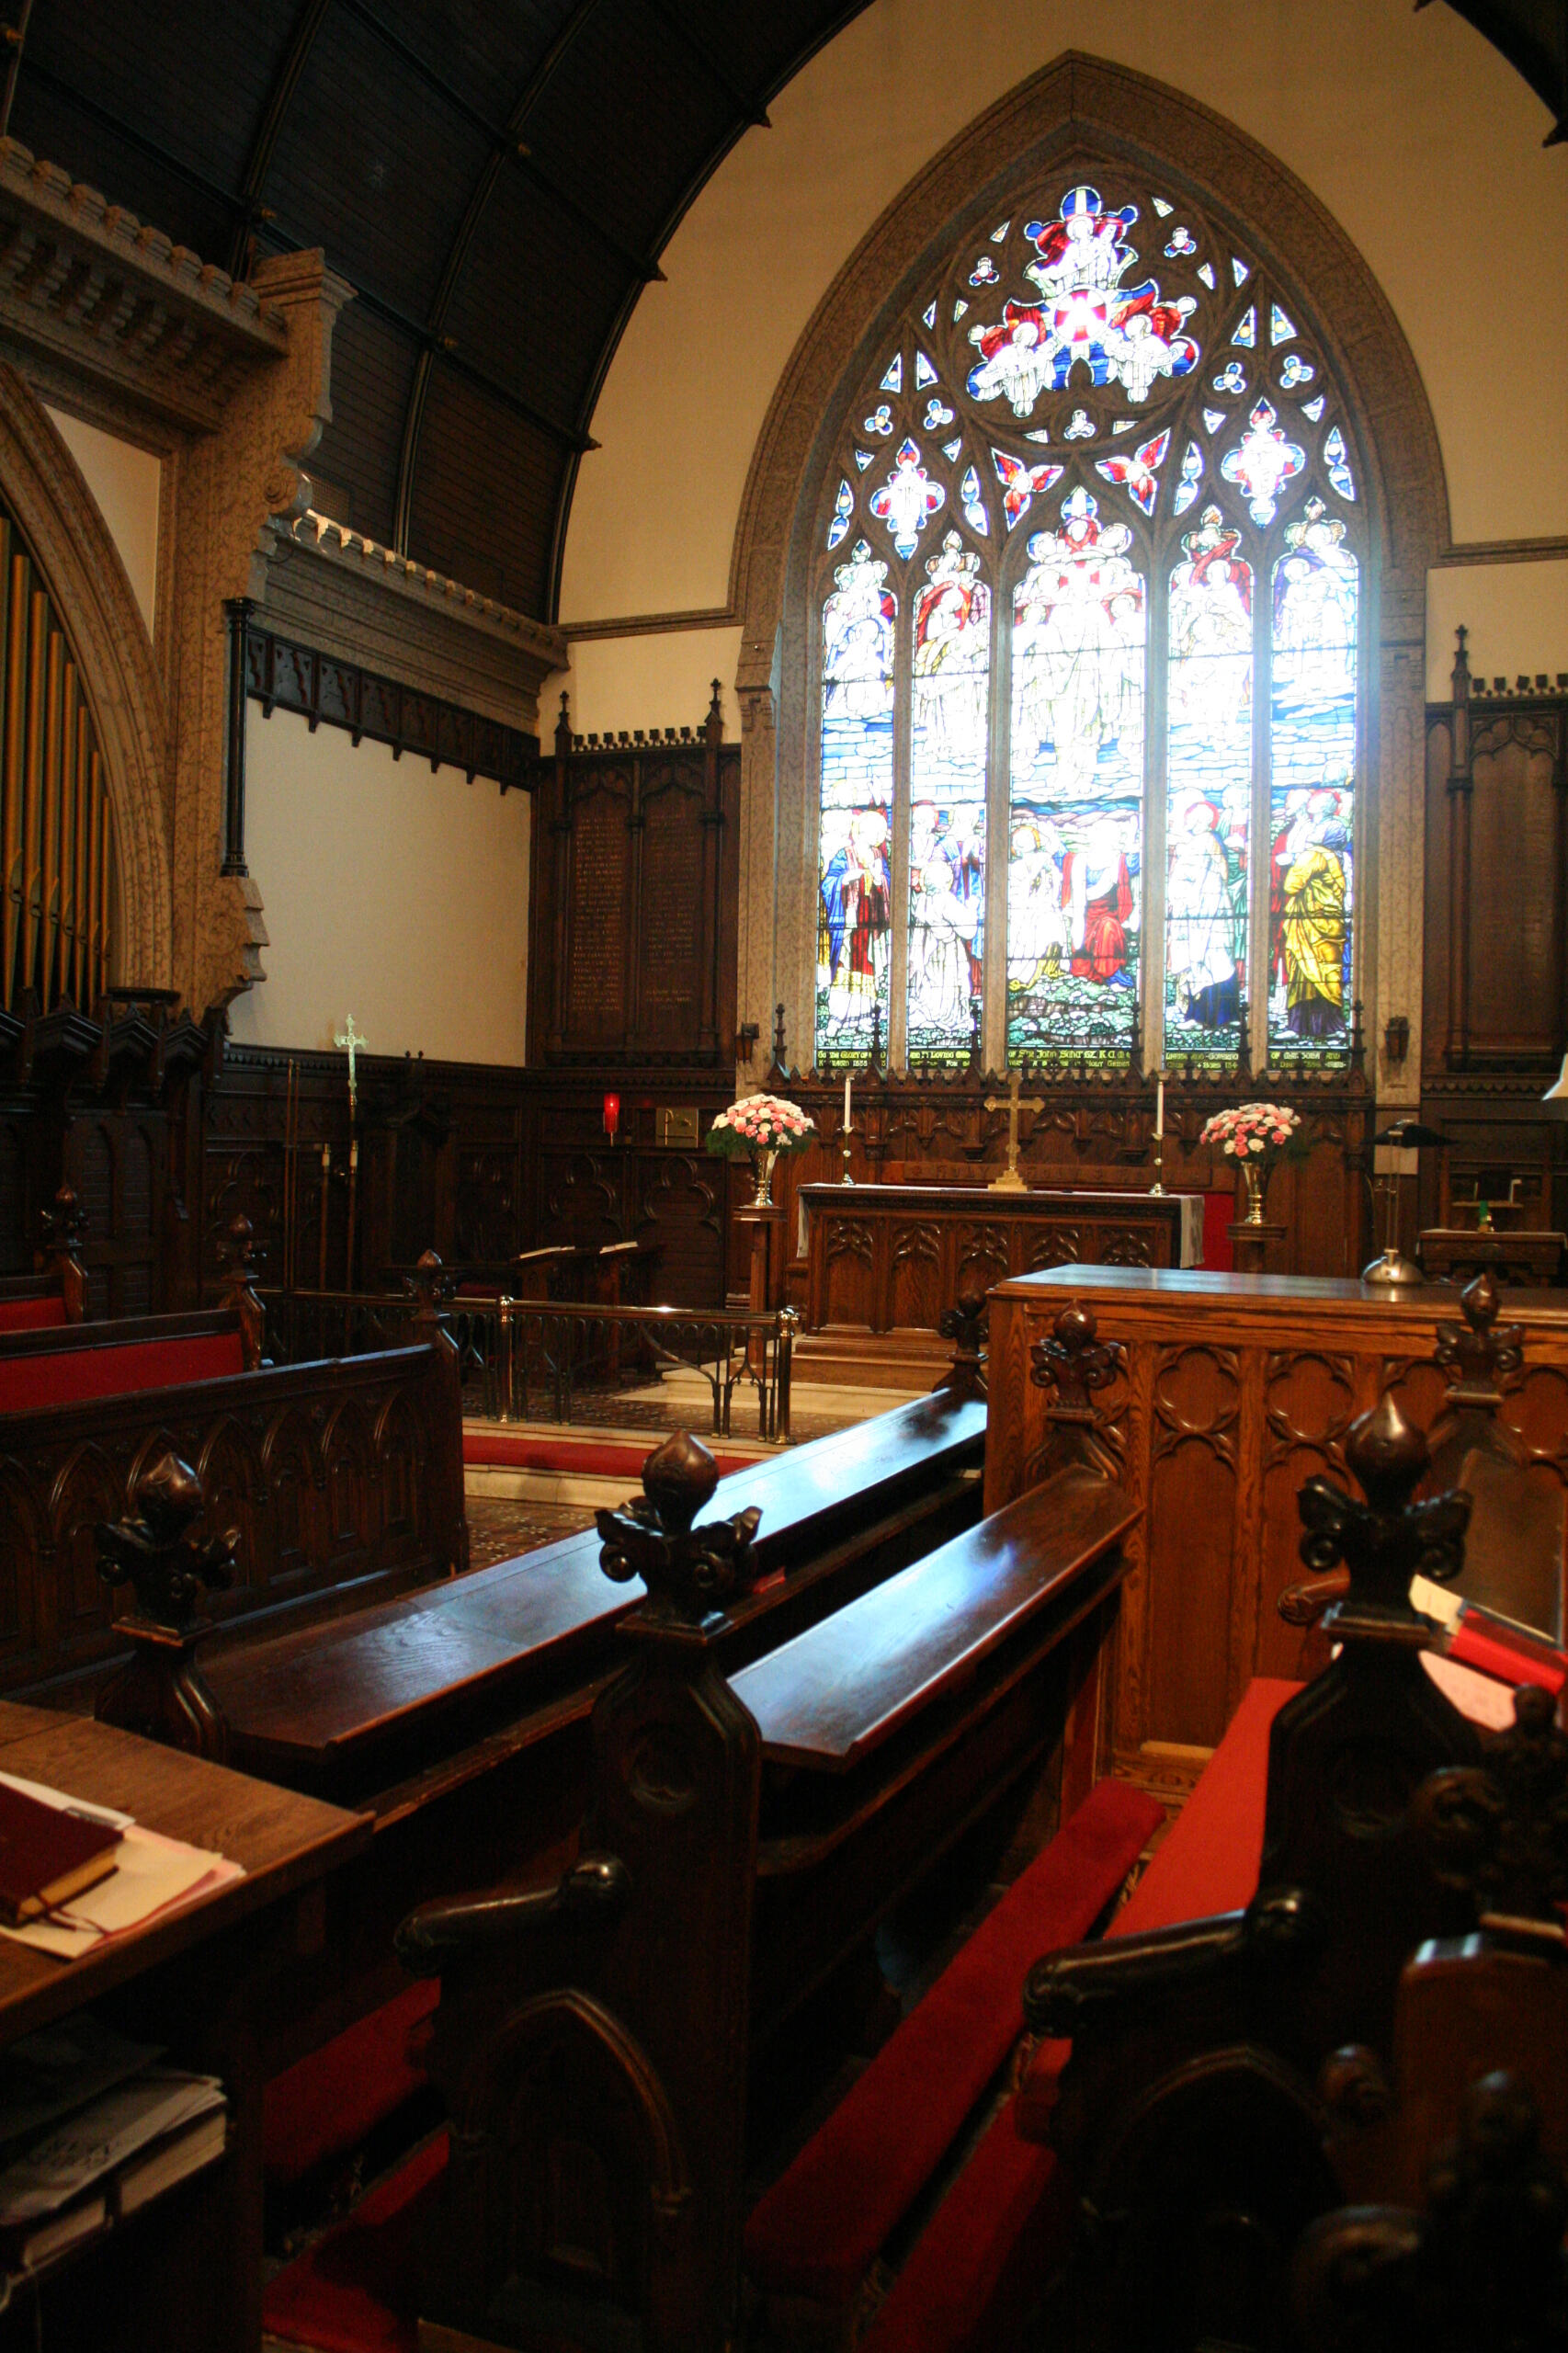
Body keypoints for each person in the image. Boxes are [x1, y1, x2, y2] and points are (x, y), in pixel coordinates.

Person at [1270, 790, 1349, 1038]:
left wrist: (1291, 861)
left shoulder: (1313, 856)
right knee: (1327, 974)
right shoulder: (1337, 858)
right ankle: (1333, 1027)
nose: (1312, 832)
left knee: (1304, 974)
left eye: (1317, 831)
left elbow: (1291, 885)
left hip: (1308, 925)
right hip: (1329, 925)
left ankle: (1298, 1026)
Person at [1166, 797, 1241, 1030]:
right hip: (1191, 912)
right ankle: (1197, 1015)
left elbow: (1222, 872)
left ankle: (1221, 1017)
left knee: (1215, 961)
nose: (1186, 818)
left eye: (1190, 815)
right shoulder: (1195, 842)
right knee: (1195, 962)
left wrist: (1201, 899)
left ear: (1200, 819)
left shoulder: (1209, 840)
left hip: (1210, 913)